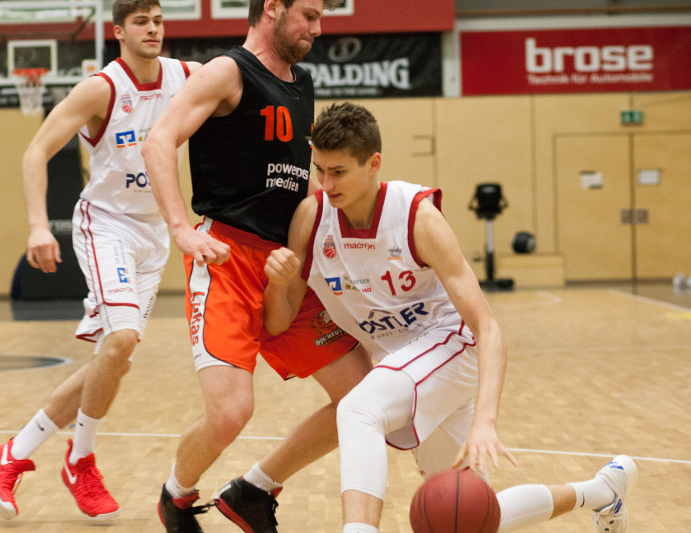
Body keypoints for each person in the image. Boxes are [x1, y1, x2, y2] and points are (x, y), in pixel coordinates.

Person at [262, 102, 637, 533]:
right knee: (472, 519)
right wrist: (278, 284)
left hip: (450, 346)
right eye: (320, 170)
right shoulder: (311, 219)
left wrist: (486, 422)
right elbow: (278, 322)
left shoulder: (417, 218)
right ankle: (605, 490)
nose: (326, 184)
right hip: (403, 363)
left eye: (339, 172)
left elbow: (488, 328)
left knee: (358, 409)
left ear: (374, 164)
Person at [141, 1, 374, 531]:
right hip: (225, 256)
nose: (318, 28)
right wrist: (180, 228)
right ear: (272, 7)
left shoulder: (302, 82)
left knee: (363, 399)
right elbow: (158, 143)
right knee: (229, 414)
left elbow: (301, 181)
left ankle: (253, 490)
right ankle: (175, 495)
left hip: (286, 262)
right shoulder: (227, 72)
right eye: (309, 15)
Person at [0, 0, 200, 521]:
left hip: (153, 233)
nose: (153, 29)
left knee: (113, 359)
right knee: (121, 342)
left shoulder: (186, 77)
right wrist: (37, 224)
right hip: (107, 225)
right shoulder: (102, 87)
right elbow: (36, 151)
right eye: (142, 21)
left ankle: (9, 456)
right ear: (120, 31)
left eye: (159, 20)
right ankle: (80, 459)